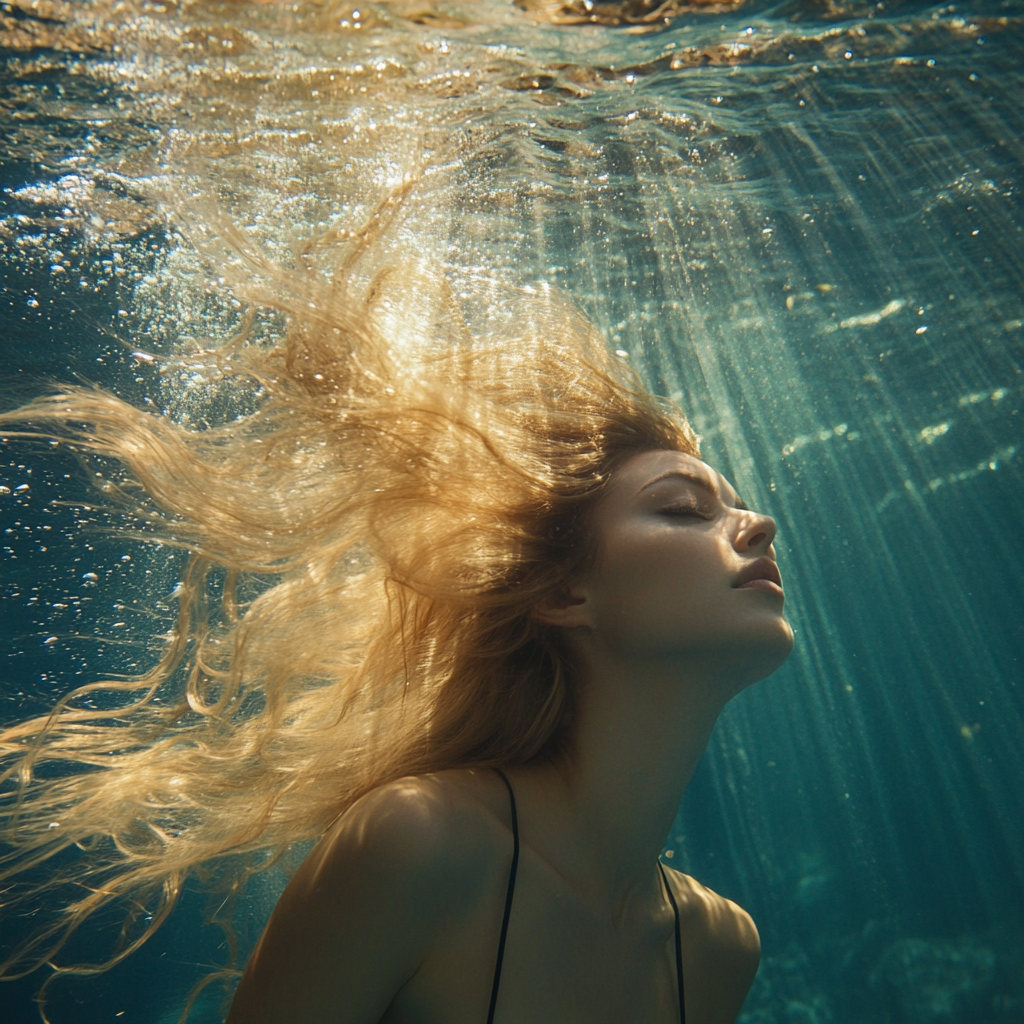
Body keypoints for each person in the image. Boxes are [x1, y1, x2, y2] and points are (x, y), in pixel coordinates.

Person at [0, 187, 793, 1023]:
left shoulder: (718, 951)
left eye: (735, 507)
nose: (760, 524)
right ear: (564, 593)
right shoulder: (417, 843)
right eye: (682, 507)